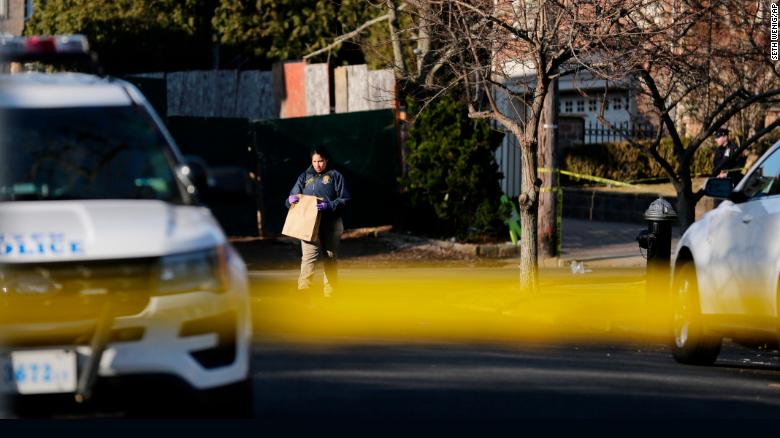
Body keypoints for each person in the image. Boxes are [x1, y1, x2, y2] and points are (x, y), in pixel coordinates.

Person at [285, 147, 350, 298]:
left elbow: (345, 199)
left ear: (326, 160)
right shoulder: (304, 176)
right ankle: (303, 292)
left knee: (330, 257)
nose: (317, 164)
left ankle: (330, 295)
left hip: (331, 223)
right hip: (309, 224)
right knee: (308, 257)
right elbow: (292, 196)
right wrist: (289, 200)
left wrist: (330, 205)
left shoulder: (335, 176)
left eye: (320, 161)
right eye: (314, 161)